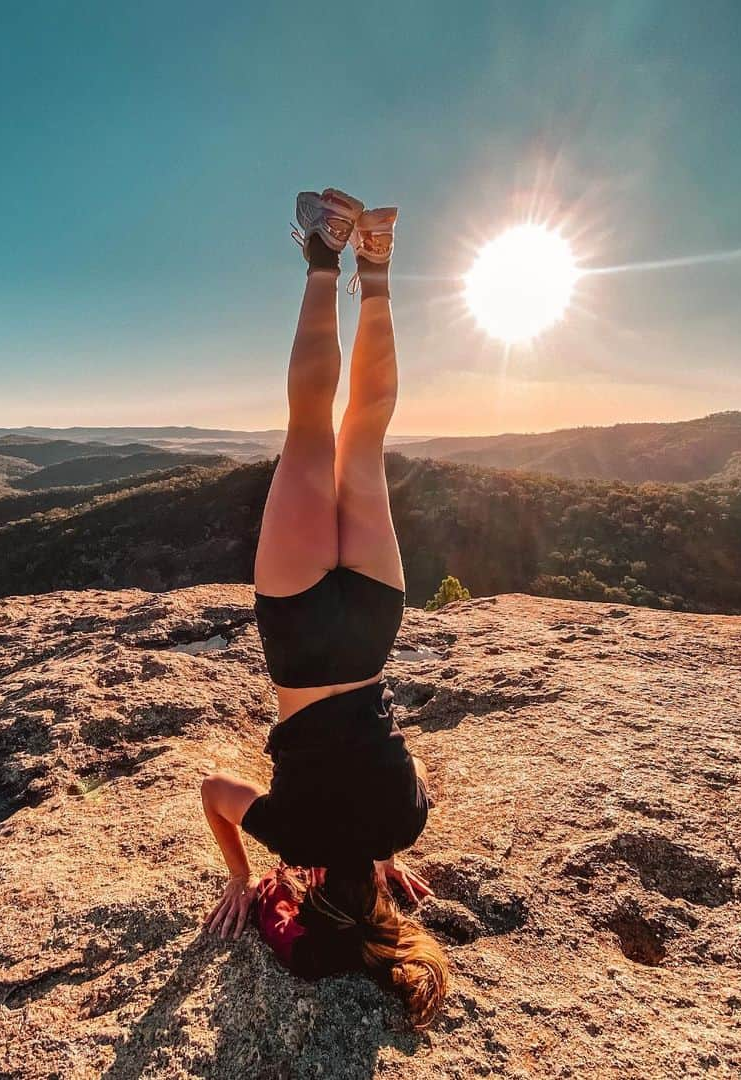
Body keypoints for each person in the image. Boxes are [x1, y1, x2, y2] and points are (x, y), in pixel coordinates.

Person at [200, 188, 448, 1030]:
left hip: (374, 626)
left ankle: (374, 262)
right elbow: (216, 790)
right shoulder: (296, 842)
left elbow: (415, 771)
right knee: (312, 427)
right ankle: (321, 251)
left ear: (385, 899)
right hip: (302, 638)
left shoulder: (403, 824)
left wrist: (382, 855)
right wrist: (243, 877)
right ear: (310, 893)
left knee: (366, 431)